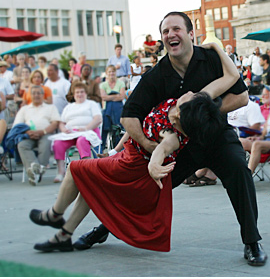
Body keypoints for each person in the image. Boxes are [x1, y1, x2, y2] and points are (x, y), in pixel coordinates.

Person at [73, 12, 267, 265]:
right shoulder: (157, 74)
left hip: (217, 136)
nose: (170, 35)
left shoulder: (210, 58)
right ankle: (104, 229)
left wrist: (197, 113)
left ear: (190, 34)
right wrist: (149, 145)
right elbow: (129, 115)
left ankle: (252, 242)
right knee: (145, 189)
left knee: (239, 171)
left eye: (176, 29)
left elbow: (241, 97)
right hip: (179, 146)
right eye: (165, 31)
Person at [30, 91, 227, 253]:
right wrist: (114, 150)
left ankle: (55, 214)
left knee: (74, 168)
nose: (191, 92)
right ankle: (64, 235)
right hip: (124, 155)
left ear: (182, 115)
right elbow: (136, 124)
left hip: (131, 166)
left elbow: (161, 149)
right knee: (88, 183)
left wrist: (154, 166)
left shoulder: (172, 135)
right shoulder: (173, 104)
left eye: (192, 97)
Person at [49, 83, 102, 183]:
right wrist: (64, 129)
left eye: (82, 92)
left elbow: (98, 119)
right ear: (74, 94)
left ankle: (87, 170)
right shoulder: (69, 107)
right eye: (77, 92)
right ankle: (61, 172)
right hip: (71, 133)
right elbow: (61, 122)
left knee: (82, 141)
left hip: (88, 131)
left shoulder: (91, 104)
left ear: (86, 93)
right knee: (58, 143)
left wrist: (86, 128)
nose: (79, 94)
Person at [13, 85, 60, 185]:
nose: (36, 95)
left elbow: (55, 123)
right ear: (30, 95)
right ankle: (35, 169)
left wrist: (42, 132)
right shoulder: (24, 109)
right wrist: (27, 132)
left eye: (39, 93)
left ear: (43, 95)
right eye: (34, 93)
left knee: (46, 143)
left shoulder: (50, 107)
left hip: (45, 133)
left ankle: (35, 171)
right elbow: (17, 125)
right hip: (28, 135)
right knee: (21, 145)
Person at [100, 65, 126, 148]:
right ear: (107, 73)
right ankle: (116, 126)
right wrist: (116, 95)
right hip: (107, 109)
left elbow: (122, 97)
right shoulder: (103, 84)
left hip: (117, 109)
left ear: (115, 72)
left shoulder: (121, 83)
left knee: (112, 104)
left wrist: (109, 97)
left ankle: (111, 127)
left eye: (113, 71)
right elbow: (103, 97)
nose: (111, 73)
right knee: (111, 105)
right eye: (109, 72)